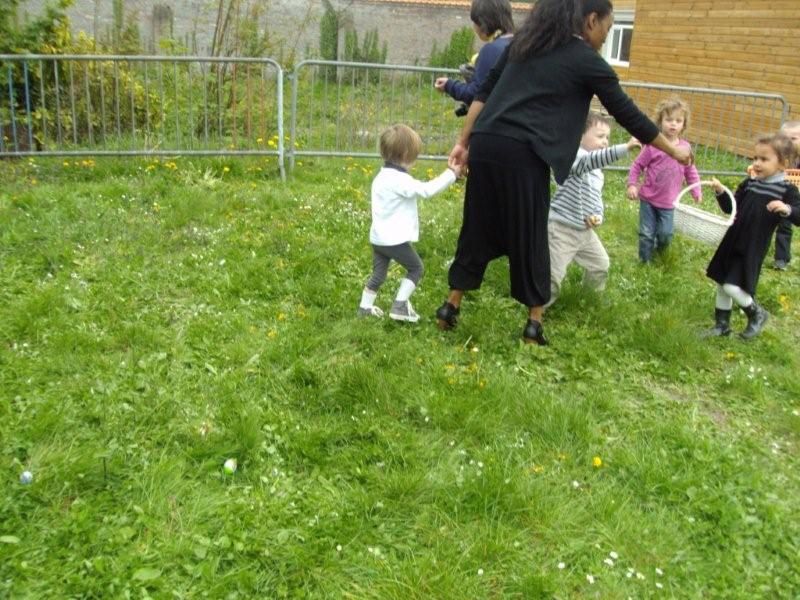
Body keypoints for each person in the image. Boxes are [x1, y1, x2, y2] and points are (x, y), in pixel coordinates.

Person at [435, 0, 693, 345]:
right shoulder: (585, 58)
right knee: (531, 237)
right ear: (590, 20)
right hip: (524, 153)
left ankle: (450, 308)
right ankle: (533, 326)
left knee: (477, 226)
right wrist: (675, 150)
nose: (606, 35)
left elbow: (483, 94)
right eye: (608, 27)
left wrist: (463, 142)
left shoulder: (522, 45)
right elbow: (628, 113)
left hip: (487, 142)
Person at [357, 124, 462, 322]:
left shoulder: (381, 176)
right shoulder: (400, 180)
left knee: (378, 274)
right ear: (406, 154)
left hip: (378, 238)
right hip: (393, 240)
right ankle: (400, 306)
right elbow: (426, 190)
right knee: (416, 268)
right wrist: (451, 175)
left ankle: (365, 307)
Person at [704, 132, 800, 340]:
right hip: (732, 239)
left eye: (764, 159)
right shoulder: (750, 183)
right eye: (755, 158)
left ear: (783, 164)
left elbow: (798, 215)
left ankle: (756, 313)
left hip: (752, 245)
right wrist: (722, 192)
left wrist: (786, 209)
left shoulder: (786, 189)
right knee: (722, 282)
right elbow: (732, 207)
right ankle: (722, 326)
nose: (757, 163)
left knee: (732, 285)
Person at [547, 111, 641, 308]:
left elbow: (595, 199)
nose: (605, 141)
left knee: (600, 265)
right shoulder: (574, 157)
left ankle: (589, 299)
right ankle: (539, 308)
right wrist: (625, 147)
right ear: (579, 136)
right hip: (562, 229)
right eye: (600, 136)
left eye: (607, 137)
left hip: (584, 232)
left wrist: (597, 216)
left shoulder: (597, 172)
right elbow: (590, 161)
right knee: (553, 275)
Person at [626, 97, 701, 263]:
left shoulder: (685, 148)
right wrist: (632, 184)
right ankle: (644, 262)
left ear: (684, 125)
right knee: (646, 233)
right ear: (660, 122)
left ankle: (660, 258)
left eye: (678, 121)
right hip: (648, 199)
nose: (673, 124)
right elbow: (637, 165)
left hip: (669, 202)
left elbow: (691, 171)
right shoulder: (653, 145)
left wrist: (696, 190)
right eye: (668, 120)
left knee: (665, 234)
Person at [434, 0, 514, 116]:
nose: (474, 28)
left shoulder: (492, 49)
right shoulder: (520, 43)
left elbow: (476, 94)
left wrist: (449, 85)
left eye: (475, 22)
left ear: (483, 23)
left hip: (495, 123)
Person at [771, 120, 800, 270]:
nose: (789, 143)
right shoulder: (778, 156)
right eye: (785, 139)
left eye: (794, 139)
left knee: (785, 225)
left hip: (795, 197)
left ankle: (782, 258)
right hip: (778, 193)